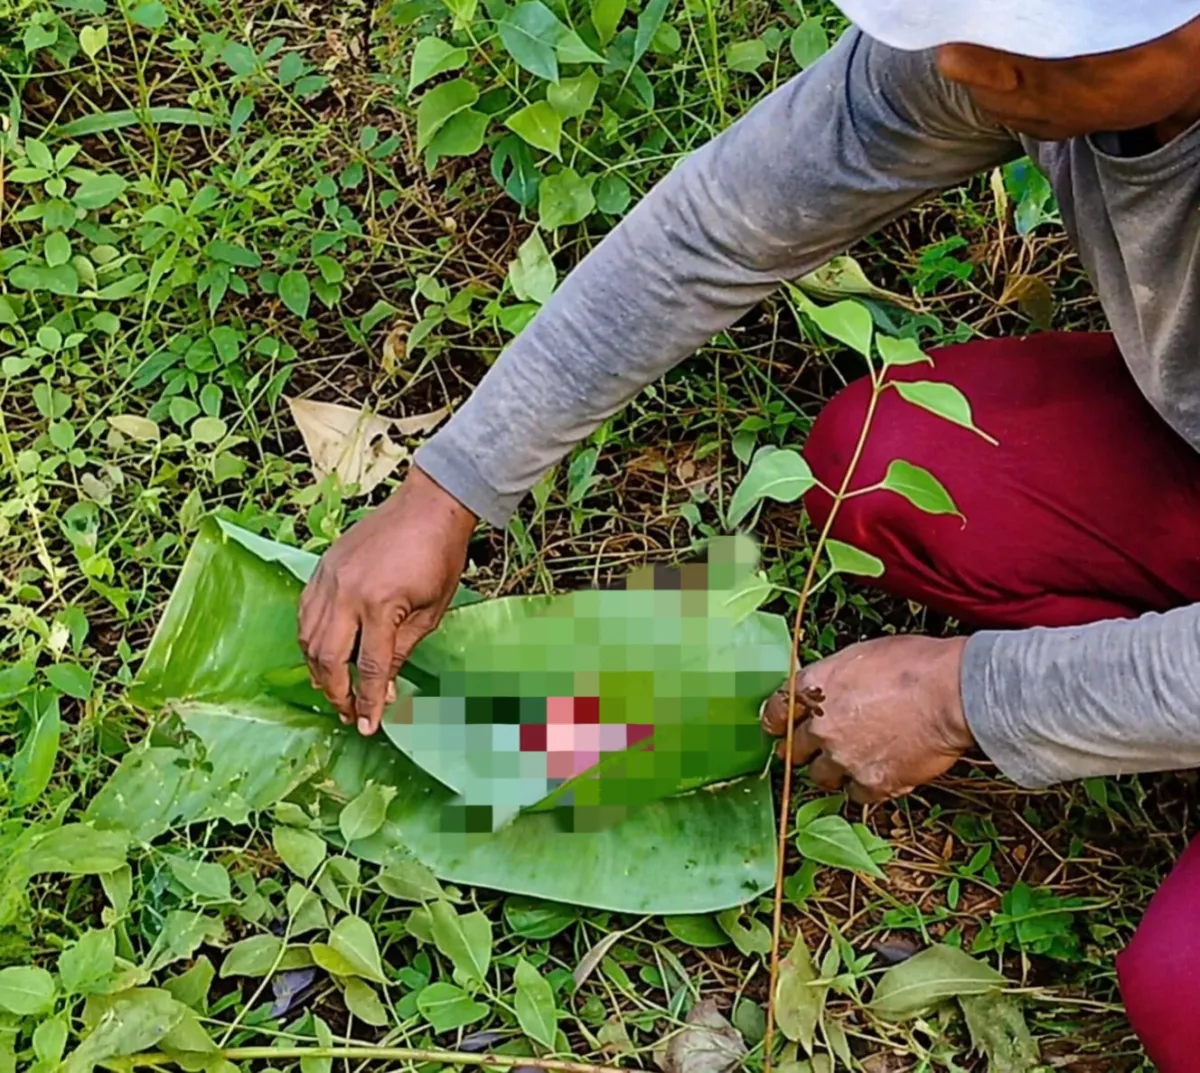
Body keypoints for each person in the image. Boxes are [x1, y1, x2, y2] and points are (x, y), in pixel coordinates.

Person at [298, 2, 1200, 1065]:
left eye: (1035, 40)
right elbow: (724, 222)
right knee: (891, 460)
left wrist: (964, 692)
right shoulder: (996, 59)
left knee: (1181, 990)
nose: (958, 59)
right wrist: (446, 488)